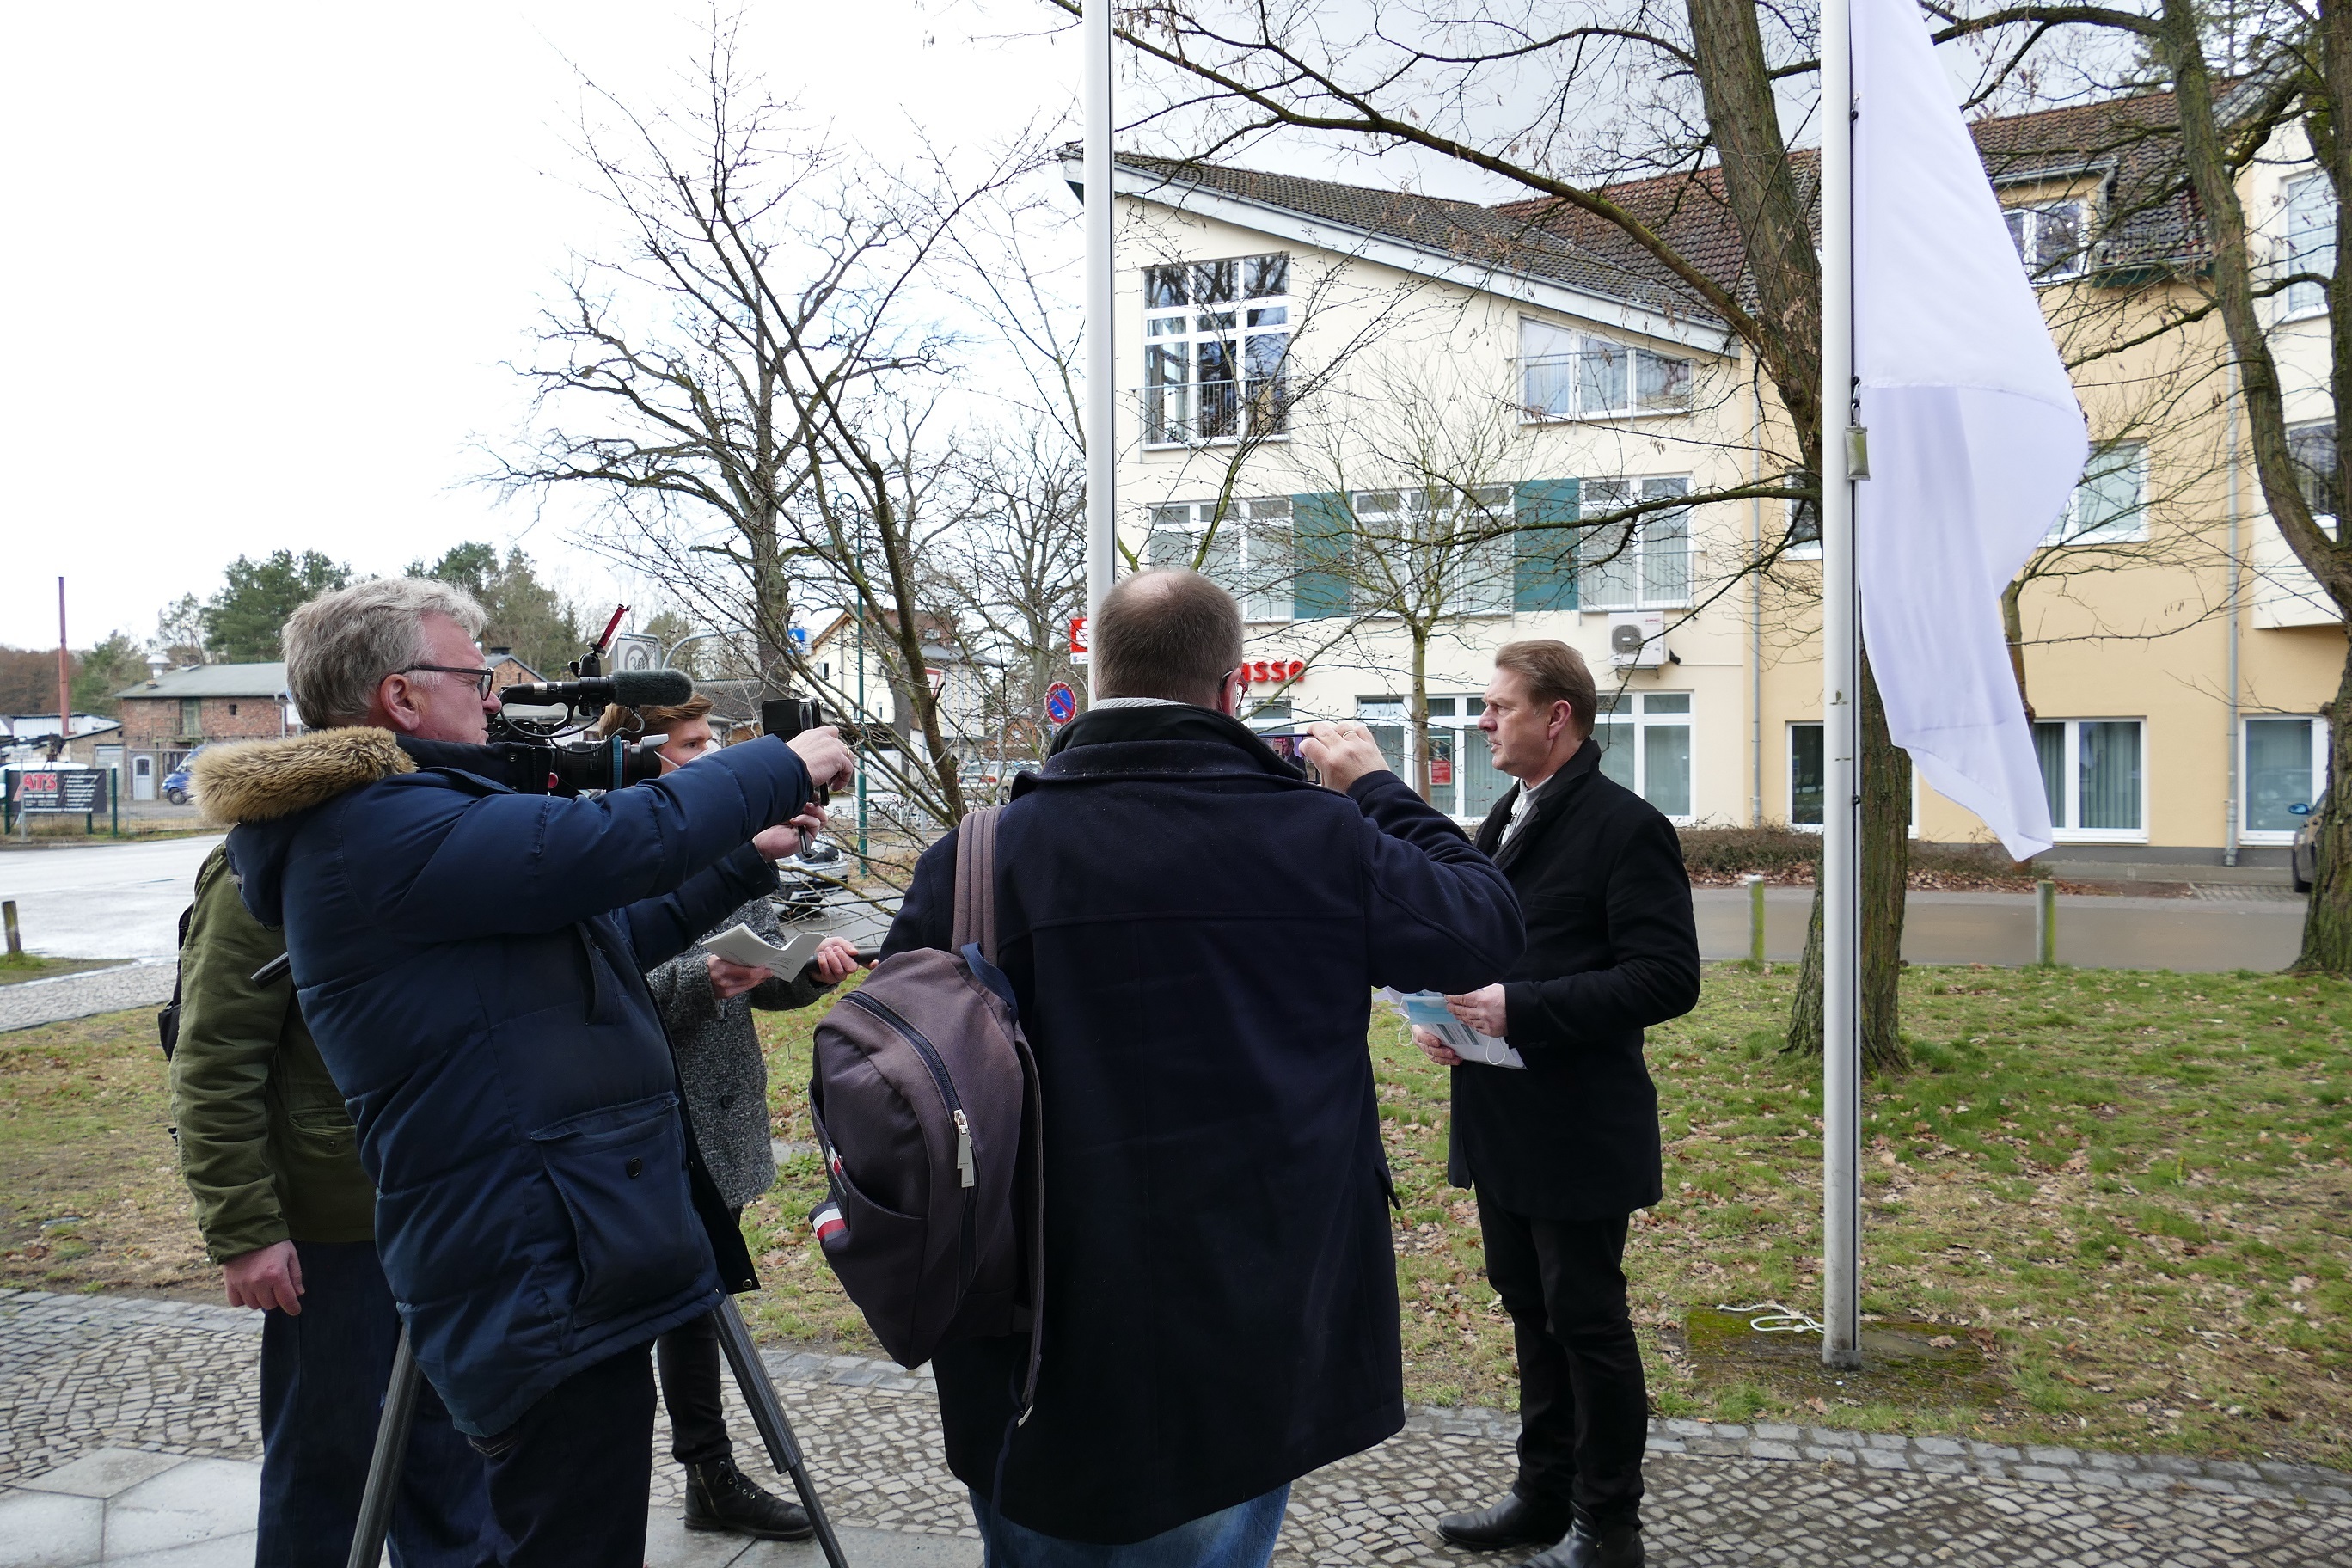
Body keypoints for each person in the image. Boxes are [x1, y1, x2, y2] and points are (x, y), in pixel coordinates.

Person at [193, 578, 854, 1568]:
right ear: (399, 697)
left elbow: (609, 930)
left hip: (563, 1232)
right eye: (474, 674)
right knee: (561, 1530)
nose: (496, 696)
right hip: (532, 1247)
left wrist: (741, 856)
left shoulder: (405, 817)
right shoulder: (376, 824)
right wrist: (774, 765)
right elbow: (609, 845)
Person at [879, 568, 1524, 1567]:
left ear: (1096, 678)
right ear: (1230, 691)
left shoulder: (982, 853)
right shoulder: (1319, 837)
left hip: (1028, 1330)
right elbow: (1482, 927)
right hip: (1249, 1315)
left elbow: (901, 1073)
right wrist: (1379, 789)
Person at [1426, 642, 1700, 1568]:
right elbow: (1495, 945)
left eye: (1499, 707)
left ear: (1558, 717)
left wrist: (1521, 1009)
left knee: (1587, 1321)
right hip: (1502, 1115)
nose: (1483, 722)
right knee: (1530, 1313)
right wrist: (1452, 1018)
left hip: (1579, 1127)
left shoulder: (1626, 826)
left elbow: (1667, 978)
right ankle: (1543, 1499)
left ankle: (1609, 1526)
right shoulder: (1506, 815)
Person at [171, 842, 500, 1567]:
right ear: (397, 716)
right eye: (482, 712)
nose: (492, 717)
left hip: (452, 1207)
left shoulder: (447, 825)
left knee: (454, 1460)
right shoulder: (268, 859)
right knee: (325, 1468)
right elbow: (213, 1058)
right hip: (335, 1223)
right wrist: (245, 1229)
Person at [596, 695, 862, 1541]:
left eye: (712, 741)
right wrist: (692, 983)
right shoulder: (599, 856)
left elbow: (767, 975)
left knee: (697, 1304)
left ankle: (709, 1476)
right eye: (692, 745)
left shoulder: (728, 843)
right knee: (635, 1313)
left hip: (716, 1120)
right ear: (638, 759)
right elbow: (587, 999)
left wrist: (807, 973)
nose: (712, 758)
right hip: (632, 1130)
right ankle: (608, 1487)